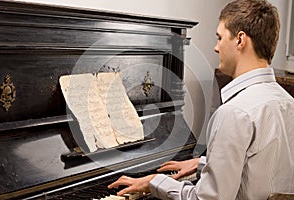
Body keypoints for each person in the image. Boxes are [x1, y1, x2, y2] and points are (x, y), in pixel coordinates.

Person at [108, 0, 294, 199]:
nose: (215, 47)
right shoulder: (287, 102)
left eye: (220, 38)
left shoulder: (235, 113)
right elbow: (260, 168)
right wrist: (202, 163)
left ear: (240, 40)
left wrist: (153, 182)